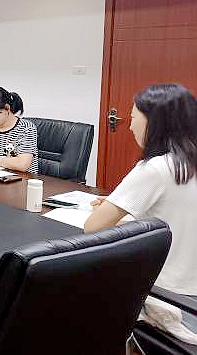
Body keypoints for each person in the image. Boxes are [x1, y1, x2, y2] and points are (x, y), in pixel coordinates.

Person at [85, 84, 197, 343]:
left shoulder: (156, 168)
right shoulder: (188, 163)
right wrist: (129, 205)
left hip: (165, 298)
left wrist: (114, 209)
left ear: (154, 122)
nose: (130, 126)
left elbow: (93, 227)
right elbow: (176, 212)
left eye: (133, 117)